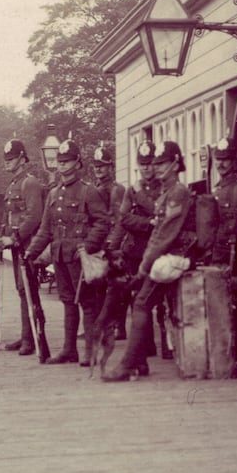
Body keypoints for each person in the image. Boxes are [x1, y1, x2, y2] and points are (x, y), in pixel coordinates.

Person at [103, 140, 195, 382]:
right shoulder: (167, 192)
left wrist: (144, 268)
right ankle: (136, 363)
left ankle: (128, 365)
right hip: (163, 258)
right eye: (155, 163)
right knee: (142, 302)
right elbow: (153, 232)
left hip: (174, 257)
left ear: (176, 164)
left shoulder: (178, 193)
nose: (157, 167)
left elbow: (164, 236)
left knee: (142, 302)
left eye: (163, 163)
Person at [23, 139, 111, 365]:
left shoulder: (88, 191)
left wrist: (88, 246)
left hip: (80, 256)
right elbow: (45, 229)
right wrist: (31, 253)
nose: (63, 166)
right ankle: (69, 350)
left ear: (78, 164)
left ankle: (91, 352)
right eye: (60, 161)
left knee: (88, 303)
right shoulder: (53, 194)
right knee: (68, 302)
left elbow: (102, 223)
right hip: (60, 255)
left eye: (68, 161)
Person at [98, 140, 160, 344]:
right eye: (142, 164)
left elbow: (164, 217)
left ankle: (168, 345)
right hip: (135, 250)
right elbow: (123, 218)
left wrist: (144, 220)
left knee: (161, 301)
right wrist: (149, 222)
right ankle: (145, 343)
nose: (146, 168)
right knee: (138, 297)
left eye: (150, 163)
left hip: (159, 250)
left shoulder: (164, 188)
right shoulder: (132, 191)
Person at [207, 138, 237, 375]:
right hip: (219, 253)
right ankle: (231, 354)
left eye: (226, 159)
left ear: (234, 161)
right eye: (218, 159)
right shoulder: (216, 188)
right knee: (225, 306)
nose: (222, 164)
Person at [0, 138, 44, 356]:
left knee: (28, 290)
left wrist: (14, 238)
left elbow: (33, 217)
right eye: (6, 159)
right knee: (21, 290)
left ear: (22, 159)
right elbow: (11, 216)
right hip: (16, 244)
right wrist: (3, 236)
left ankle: (32, 337)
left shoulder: (30, 183)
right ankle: (27, 334)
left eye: (11, 158)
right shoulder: (12, 184)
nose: (7, 162)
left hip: (28, 244)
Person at [82, 143, 124, 366]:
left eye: (103, 166)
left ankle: (115, 328)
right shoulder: (93, 188)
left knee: (115, 290)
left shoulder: (116, 189)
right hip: (98, 242)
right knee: (99, 289)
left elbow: (118, 219)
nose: (99, 169)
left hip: (111, 244)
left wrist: (111, 245)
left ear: (111, 167)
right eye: (96, 165)